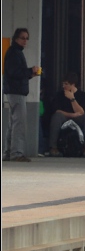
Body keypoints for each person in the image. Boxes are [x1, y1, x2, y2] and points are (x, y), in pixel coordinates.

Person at [3, 28, 41, 162]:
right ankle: (16, 153)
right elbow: (15, 73)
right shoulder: (14, 53)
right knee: (19, 124)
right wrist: (30, 70)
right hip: (17, 92)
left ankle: (8, 152)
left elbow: (16, 74)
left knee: (13, 123)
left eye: (26, 38)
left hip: (13, 91)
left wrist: (30, 74)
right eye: (22, 38)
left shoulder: (15, 52)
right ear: (16, 39)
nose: (25, 41)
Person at [48, 72, 85, 158]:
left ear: (73, 85)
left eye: (66, 84)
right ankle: (53, 147)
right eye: (63, 84)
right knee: (56, 117)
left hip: (78, 118)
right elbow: (58, 111)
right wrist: (72, 115)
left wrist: (72, 99)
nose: (64, 86)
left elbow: (82, 112)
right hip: (65, 117)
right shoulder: (59, 95)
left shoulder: (83, 95)